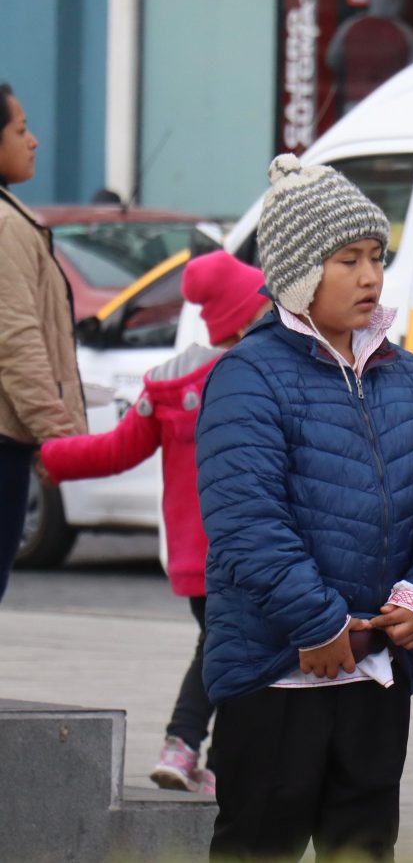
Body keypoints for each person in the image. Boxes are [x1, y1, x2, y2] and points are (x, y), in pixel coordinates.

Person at [195, 153, 413, 861]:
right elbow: (245, 523)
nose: (371, 275)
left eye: (376, 255)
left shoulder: (403, 375)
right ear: (296, 272)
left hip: (376, 672)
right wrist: (319, 625)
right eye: (347, 259)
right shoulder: (248, 377)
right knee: (260, 844)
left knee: (363, 847)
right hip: (276, 671)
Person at [38, 250, 271, 795]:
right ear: (240, 318)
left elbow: (118, 450)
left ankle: (183, 747)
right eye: (261, 306)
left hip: (193, 558)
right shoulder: (255, 373)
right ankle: (212, 758)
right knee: (243, 657)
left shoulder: (168, 383)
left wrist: (51, 458)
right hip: (247, 550)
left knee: (217, 646)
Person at [0, 82, 86, 601]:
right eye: (20, 129)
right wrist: (59, 437)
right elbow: (14, 339)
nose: (33, 141)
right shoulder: (6, 226)